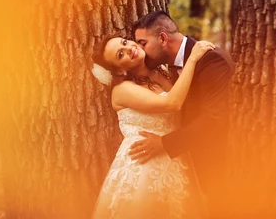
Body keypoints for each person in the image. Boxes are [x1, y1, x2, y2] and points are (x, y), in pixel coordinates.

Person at [90, 32, 215, 218]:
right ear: (118, 71)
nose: (128, 49)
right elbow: (171, 104)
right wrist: (193, 58)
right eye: (120, 54)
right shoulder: (122, 91)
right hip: (143, 167)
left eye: (125, 43)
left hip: (175, 156)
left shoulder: (164, 70)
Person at [132, 11, 235, 218]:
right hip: (184, 166)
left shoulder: (211, 60)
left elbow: (214, 119)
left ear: (162, 38)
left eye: (143, 43)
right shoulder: (166, 67)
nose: (140, 51)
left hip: (216, 165)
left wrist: (164, 143)